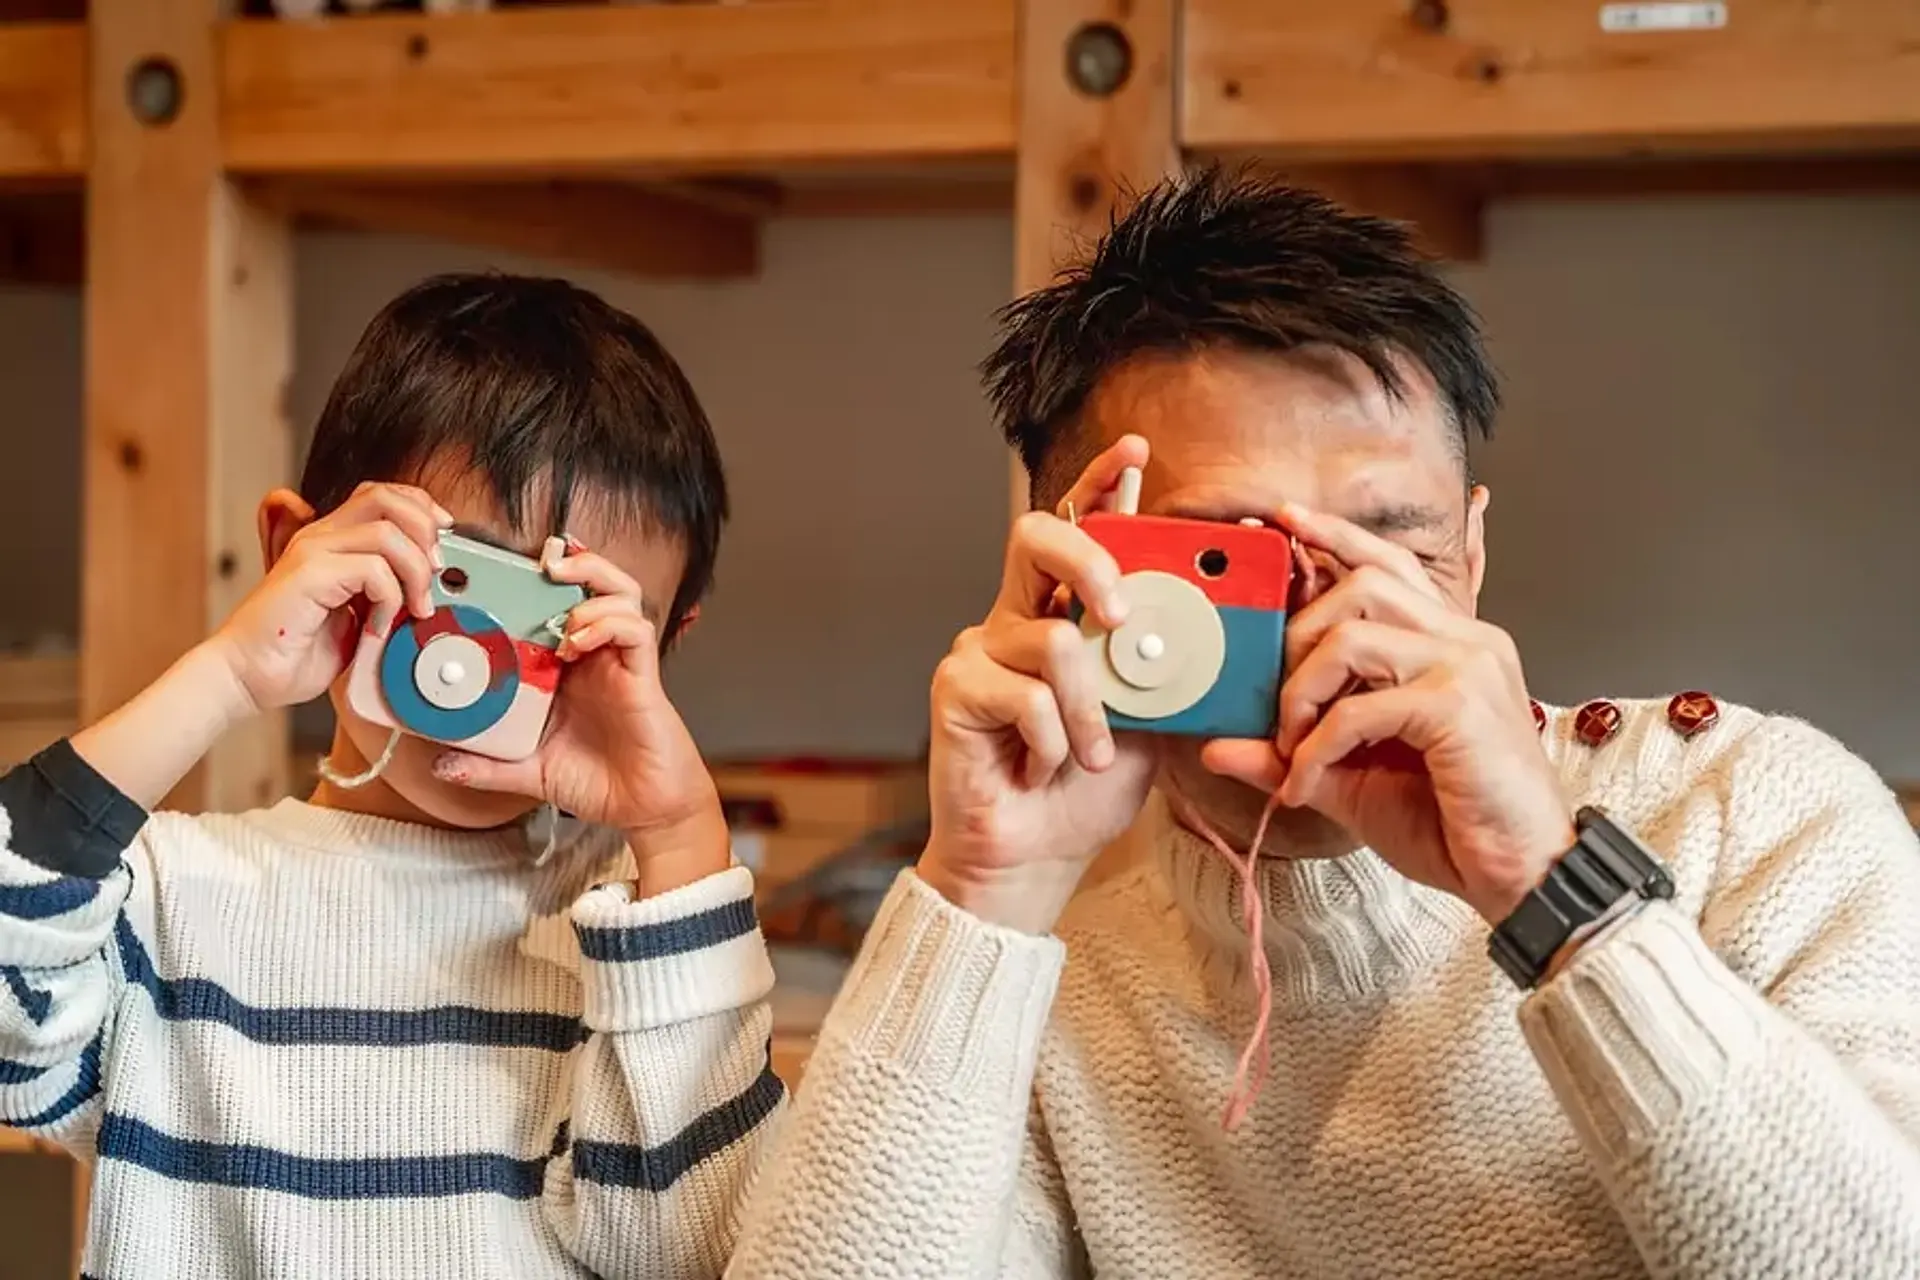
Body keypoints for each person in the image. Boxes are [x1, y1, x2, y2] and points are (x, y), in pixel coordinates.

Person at [729, 169, 1920, 1277]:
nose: (1329, 624)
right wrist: (983, 896)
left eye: (1393, 546)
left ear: (1475, 550)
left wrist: (1552, 893)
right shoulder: (1041, 968)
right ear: (1076, 566)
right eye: (1229, 562)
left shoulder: (1753, 812)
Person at [0, 275, 781, 1279]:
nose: (492, 665)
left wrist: (680, 837)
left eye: (569, 626)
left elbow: (700, 1244)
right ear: (299, 553)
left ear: (662, 644)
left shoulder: (643, 939)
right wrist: (229, 671)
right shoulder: (167, 907)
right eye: (466, 584)